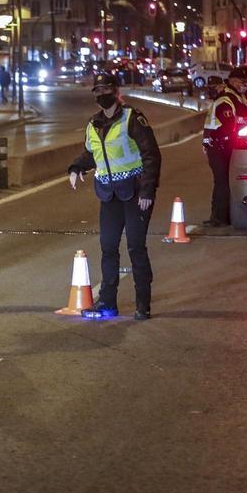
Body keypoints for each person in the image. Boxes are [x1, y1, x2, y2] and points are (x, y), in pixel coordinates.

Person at [67, 73, 162, 320]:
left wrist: (147, 190)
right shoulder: (93, 124)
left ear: (115, 91)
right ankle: (107, 303)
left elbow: (151, 155)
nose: (101, 95)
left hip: (134, 193)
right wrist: (77, 167)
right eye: (97, 91)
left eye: (106, 89)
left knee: (135, 247)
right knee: (108, 248)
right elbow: (91, 154)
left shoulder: (132, 118)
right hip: (109, 195)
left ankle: (144, 304)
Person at [201, 75, 240, 228]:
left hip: (220, 148)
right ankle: (218, 216)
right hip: (217, 147)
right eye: (209, 88)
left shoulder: (223, 103)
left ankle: (220, 217)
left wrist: (214, 138)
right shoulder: (219, 102)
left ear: (221, 87)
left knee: (222, 182)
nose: (211, 91)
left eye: (214, 88)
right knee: (220, 182)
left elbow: (228, 127)